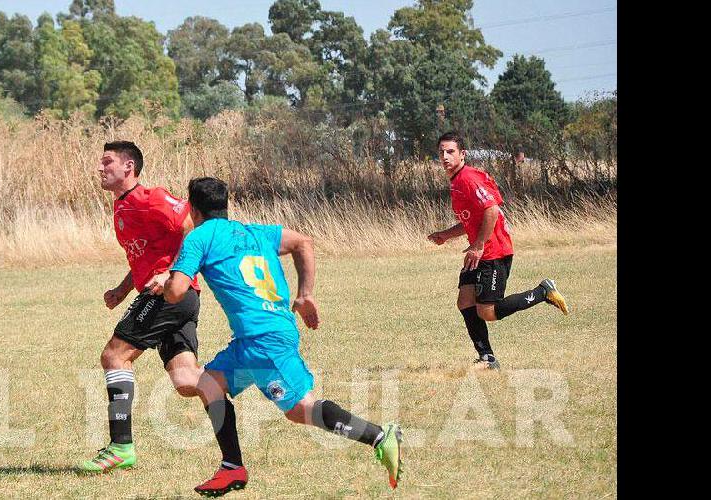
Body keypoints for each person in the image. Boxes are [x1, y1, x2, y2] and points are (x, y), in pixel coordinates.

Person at [162, 177, 403, 497]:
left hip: (263, 340)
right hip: (256, 338)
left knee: (301, 409)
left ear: (192, 208)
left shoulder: (199, 237)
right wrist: (304, 295)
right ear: (225, 204)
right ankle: (232, 468)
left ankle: (379, 436)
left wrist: (164, 282)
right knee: (209, 383)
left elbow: (177, 291)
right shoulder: (255, 232)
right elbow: (303, 242)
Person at [78, 141, 204, 473]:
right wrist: (122, 289)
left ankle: (121, 448)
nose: (100, 168)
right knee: (187, 381)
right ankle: (244, 374)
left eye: (107, 162)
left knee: (114, 356)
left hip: (169, 295)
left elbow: (194, 226)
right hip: (178, 297)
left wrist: (171, 274)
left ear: (129, 167)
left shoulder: (151, 199)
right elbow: (147, 255)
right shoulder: (123, 207)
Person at [428, 132, 569, 370]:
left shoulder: (468, 179)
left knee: (488, 312)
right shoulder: (456, 181)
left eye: (450, 151)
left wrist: (479, 245)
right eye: (441, 152)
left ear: (462, 154)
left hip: (493, 252)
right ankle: (487, 358)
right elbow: (470, 221)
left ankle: (543, 292)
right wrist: (445, 235)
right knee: (465, 301)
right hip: (479, 251)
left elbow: (491, 210)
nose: (444, 156)